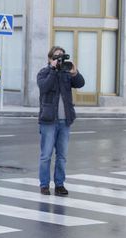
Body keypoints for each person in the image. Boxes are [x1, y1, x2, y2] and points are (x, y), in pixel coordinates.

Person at [37, 46, 85, 196]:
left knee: (62, 156)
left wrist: (75, 72)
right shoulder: (44, 72)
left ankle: (59, 184)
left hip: (65, 121)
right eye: (56, 57)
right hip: (48, 121)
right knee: (46, 155)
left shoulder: (66, 73)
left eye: (61, 57)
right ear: (50, 59)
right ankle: (44, 185)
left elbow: (80, 83)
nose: (59, 60)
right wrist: (52, 70)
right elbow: (44, 87)